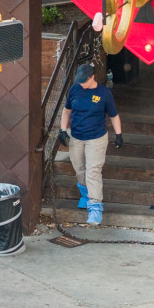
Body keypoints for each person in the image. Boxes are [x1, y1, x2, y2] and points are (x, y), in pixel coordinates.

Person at [58, 63, 123, 226]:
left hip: (96, 137)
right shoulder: (75, 89)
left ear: (92, 77)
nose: (81, 83)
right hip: (77, 136)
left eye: (84, 81)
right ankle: (85, 194)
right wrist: (63, 129)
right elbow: (67, 110)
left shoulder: (104, 93)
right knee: (79, 168)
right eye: (79, 80)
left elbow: (114, 115)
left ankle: (95, 207)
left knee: (93, 170)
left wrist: (119, 135)